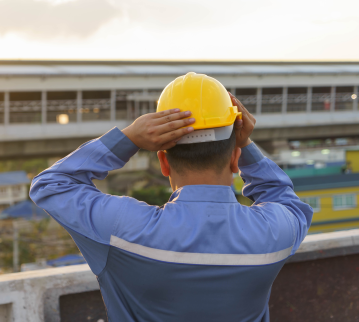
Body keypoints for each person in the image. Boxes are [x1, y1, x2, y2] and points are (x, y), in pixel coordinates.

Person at [30, 73, 313, 322]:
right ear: (235, 160)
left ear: (163, 163)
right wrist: (246, 145)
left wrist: (129, 138)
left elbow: (51, 184)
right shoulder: (274, 232)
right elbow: (288, 202)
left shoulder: (122, 230)